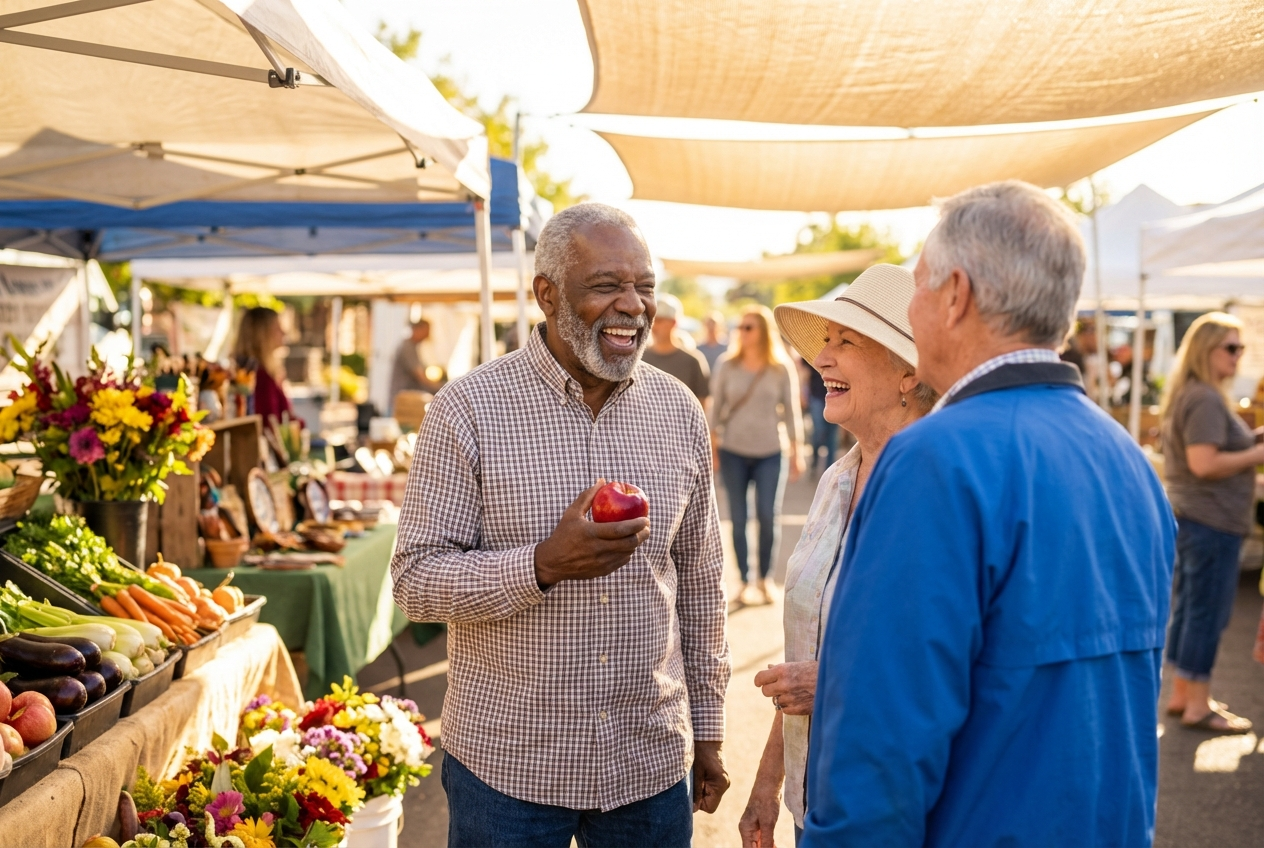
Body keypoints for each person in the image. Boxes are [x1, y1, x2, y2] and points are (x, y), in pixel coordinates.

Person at [802, 181, 1175, 847]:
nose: (911, 307)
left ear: (956, 294)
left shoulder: (932, 461)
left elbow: (881, 741)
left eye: (918, 284)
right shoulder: (1130, 463)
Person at [391, 202, 731, 848]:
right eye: (606, 285)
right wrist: (541, 564)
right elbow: (415, 583)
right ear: (546, 294)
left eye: (645, 286)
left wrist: (709, 728)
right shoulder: (467, 410)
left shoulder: (679, 411)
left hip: (647, 762)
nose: (632, 305)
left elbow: (700, 583)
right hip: (507, 770)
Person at [738, 265, 937, 848]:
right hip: (817, 801)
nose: (821, 358)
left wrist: (832, 684)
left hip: (896, 804)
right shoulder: (835, 481)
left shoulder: (938, 489)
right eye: (825, 340)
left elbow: (957, 666)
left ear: (908, 374)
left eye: (844, 342)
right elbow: (806, 658)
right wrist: (768, 785)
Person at [1160, 312, 1263, 732]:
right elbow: (1204, 463)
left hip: (1198, 520)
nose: (1238, 356)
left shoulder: (1194, 393)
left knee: (1191, 609)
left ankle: (1184, 694)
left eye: (1241, 347)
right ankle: (1197, 704)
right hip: (1210, 522)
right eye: (1232, 347)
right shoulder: (1204, 397)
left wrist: (1250, 443)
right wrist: (1257, 454)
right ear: (1206, 350)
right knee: (1206, 613)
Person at [710, 305, 804, 606]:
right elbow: (716, 408)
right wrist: (712, 447)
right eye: (740, 327)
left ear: (763, 332)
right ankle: (744, 580)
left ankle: (765, 579)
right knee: (737, 518)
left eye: (748, 327)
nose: (742, 333)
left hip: (770, 451)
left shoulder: (780, 367)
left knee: (767, 514)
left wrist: (797, 451)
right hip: (733, 450)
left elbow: (792, 411)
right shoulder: (727, 365)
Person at [641, 293, 711, 405]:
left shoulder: (692, 361)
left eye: (659, 320)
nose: (654, 326)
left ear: (674, 323)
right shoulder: (640, 358)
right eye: (651, 320)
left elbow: (702, 401)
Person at [232, 306, 295, 426]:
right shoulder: (256, 376)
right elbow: (270, 422)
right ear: (262, 334)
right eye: (277, 328)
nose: (284, 332)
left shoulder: (263, 371)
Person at [389, 319, 442, 409]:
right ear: (418, 330)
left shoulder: (412, 347)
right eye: (426, 331)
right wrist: (440, 387)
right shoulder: (407, 347)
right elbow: (419, 376)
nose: (428, 335)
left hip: (406, 399)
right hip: (403, 401)